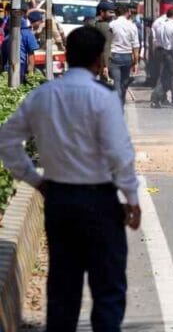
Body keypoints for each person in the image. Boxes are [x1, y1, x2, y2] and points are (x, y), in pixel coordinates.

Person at [0, 26, 141, 332]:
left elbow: (7, 141)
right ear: (98, 60)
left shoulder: (43, 95)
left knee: (63, 286)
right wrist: (132, 198)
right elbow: (120, 153)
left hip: (59, 200)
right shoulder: (103, 98)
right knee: (108, 287)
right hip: (100, 201)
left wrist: (33, 180)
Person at [150, 8, 173, 108]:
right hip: (171, 53)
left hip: (161, 51)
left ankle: (155, 99)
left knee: (162, 77)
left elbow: (155, 39)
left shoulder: (161, 24)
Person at [109, 4, 140, 105]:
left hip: (115, 55)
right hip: (127, 57)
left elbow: (108, 41)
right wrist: (136, 62)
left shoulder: (112, 24)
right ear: (128, 13)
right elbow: (135, 45)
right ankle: (121, 102)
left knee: (116, 82)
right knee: (124, 83)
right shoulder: (132, 26)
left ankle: (117, 104)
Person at [1, 14, 38, 82]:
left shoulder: (6, 38)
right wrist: (30, 72)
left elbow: (3, 57)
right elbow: (31, 55)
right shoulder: (27, 34)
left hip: (7, 68)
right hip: (21, 67)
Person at [94, 0, 116, 84]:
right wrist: (106, 66)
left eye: (114, 12)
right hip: (102, 62)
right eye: (110, 12)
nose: (113, 15)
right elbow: (105, 47)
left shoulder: (93, 23)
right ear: (102, 12)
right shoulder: (105, 26)